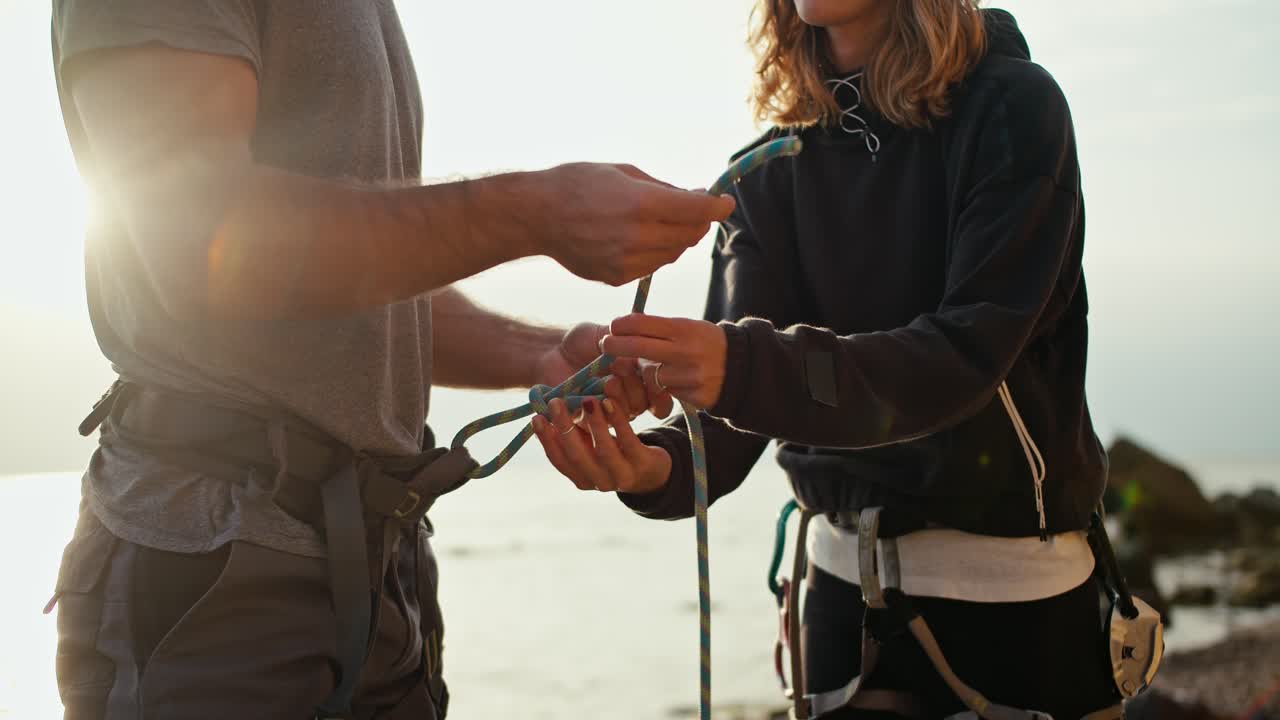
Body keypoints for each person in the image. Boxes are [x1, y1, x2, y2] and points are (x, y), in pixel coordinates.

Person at [47, 2, 727, 718]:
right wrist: (535, 212)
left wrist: (538, 354)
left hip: (378, 570)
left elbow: (346, 273)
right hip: (214, 581)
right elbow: (203, 241)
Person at [532, 1, 1129, 718]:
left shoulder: (1012, 109)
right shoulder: (762, 172)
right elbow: (728, 424)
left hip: (1015, 607)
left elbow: (967, 356)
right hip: (832, 604)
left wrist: (740, 367)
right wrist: (650, 466)